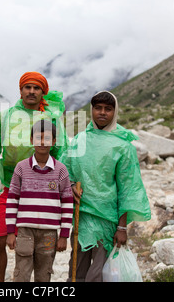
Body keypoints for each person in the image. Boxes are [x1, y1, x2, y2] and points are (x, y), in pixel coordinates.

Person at [0, 71, 68, 281]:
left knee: (40, 246)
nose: (31, 91)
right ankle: (0, 284)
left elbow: (61, 153)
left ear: (43, 92)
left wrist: (68, 185)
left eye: (36, 88)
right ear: (20, 90)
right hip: (11, 190)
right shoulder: (4, 117)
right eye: (27, 87)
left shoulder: (51, 118)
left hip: (43, 194)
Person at [61, 91, 151, 282]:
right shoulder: (79, 140)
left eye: (108, 109)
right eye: (98, 108)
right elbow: (64, 171)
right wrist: (69, 186)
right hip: (81, 217)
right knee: (76, 272)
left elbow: (128, 189)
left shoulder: (123, 146)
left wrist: (122, 227)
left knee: (98, 275)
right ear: (91, 110)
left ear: (114, 112)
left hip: (107, 221)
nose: (102, 113)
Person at [6, 120, 73, 282]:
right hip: (25, 231)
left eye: (47, 138)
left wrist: (64, 235)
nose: (42, 142)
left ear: (54, 142)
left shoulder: (61, 170)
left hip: (49, 233)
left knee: (44, 275)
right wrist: (10, 232)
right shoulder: (21, 168)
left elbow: (67, 203)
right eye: (38, 137)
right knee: (21, 274)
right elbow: (12, 199)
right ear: (31, 140)